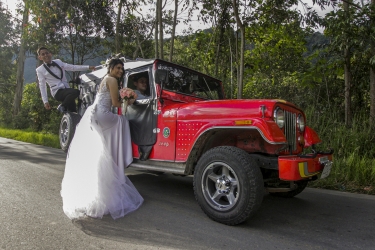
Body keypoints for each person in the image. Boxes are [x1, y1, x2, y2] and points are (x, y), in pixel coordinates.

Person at [60, 58, 143, 220]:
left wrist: (126, 97)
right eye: (118, 67)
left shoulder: (106, 79)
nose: (120, 71)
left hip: (95, 113)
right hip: (102, 114)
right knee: (123, 122)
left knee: (108, 139)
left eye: (122, 68)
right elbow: (115, 103)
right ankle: (124, 156)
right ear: (111, 67)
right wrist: (131, 99)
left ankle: (114, 156)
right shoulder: (111, 79)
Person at [36, 47, 96, 113]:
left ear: (50, 54)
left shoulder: (58, 62)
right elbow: (42, 86)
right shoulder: (40, 70)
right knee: (76, 92)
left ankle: (72, 119)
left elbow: (72, 67)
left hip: (66, 89)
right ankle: (62, 106)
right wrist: (45, 101)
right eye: (43, 54)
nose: (45, 55)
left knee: (73, 111)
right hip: (57, 91)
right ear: (40, 57)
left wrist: (88, 67)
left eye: (47, 53)